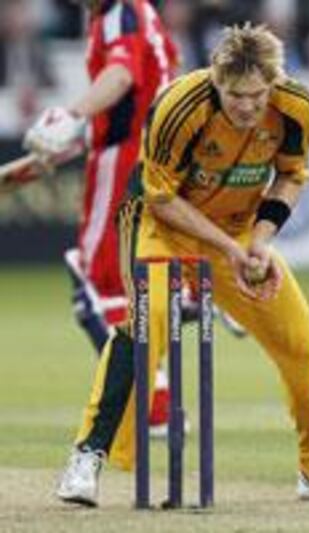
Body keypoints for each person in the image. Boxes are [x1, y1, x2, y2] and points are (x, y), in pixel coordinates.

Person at [54, 23, 309, 507]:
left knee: (305, 348)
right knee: (146, 327)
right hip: (161, 226)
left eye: (257, 95)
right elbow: (161, 197)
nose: (247, 107)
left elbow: (292, 177)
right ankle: (87, 458)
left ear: (273, 81)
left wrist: (258, 242)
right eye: (235, 95)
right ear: (216, 79)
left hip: (237, 230)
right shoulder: (181, 104)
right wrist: (231, 251)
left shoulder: (294, 106)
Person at [22, 0, 179, 430]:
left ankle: (152, 406)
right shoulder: (134, 12)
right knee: (124, 281)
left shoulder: (120, 13)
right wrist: (77, 135)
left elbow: (123, 74)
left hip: (125, 156)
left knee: (98, 281)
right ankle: (157, 396)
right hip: (151, 153)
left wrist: (73, 115)